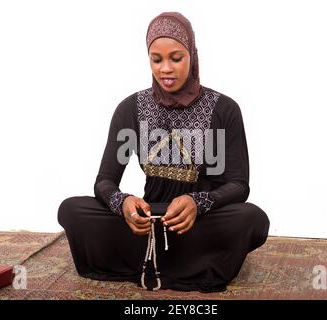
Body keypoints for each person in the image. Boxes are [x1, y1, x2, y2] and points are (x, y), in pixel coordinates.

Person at [58, 12, 269, 293]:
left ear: (192, 56)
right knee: (71, 209)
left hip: (200, 224)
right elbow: (104, 182)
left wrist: (199, 202)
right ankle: (187, 266)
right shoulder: (130, 109)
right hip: (148, 222)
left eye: (176, 58)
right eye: (156, 60)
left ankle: (146, 263)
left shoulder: (224, 109)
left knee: (251, 218)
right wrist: (123, 203)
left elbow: (239, 186)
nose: (165, 69)